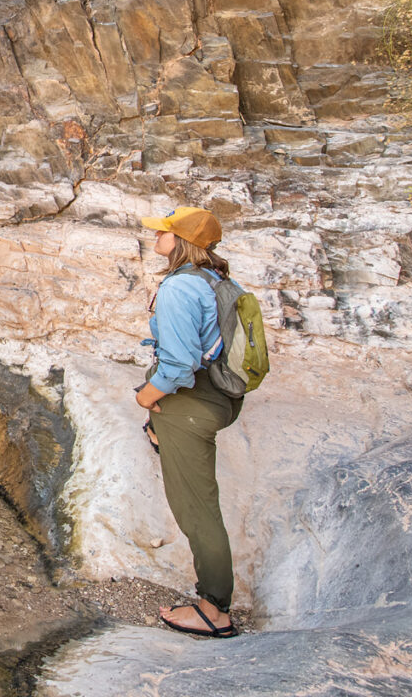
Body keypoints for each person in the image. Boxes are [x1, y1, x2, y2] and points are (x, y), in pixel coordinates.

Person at [134, 206, 243, 640]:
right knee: (157, 409)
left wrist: (145, 397)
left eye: (163, 232)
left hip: (191, 406)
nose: (155, 236)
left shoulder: (180, 288)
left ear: (180, 242)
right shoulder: (219, 280)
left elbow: (178, 367)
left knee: (198, 511)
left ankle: (214, 611)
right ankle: (157, 431)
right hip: (221, 395)